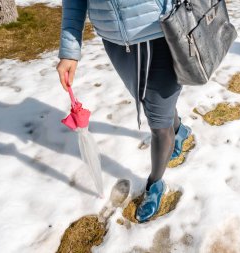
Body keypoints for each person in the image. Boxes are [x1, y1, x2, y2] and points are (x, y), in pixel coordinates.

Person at [56, 0, 192, 223]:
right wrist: (69, 51)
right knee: (151, 104)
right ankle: (179, 130)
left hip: (160, 30)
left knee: (158, 121)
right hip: (117, 41)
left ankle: (155, 184)